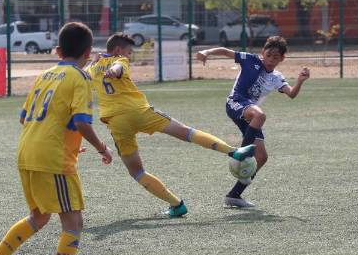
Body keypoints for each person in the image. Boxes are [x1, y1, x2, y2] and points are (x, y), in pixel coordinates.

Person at [0, 22, 113, 255]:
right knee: (73, 222)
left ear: (59, 50)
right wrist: (102, 148)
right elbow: (83, 122)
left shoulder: (44, 74)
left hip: (27, 152)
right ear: (88, 53)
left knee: (39, 216)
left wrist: (68, 140)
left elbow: (25, 118)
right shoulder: (81, 78)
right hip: (52, 159)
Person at [88, 33, 256, 218]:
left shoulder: (94, 67)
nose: (128, 56)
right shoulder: (119, 60)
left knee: (137, 172)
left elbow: (86, 75)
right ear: (119, 50)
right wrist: (116, 69)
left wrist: (94, 62)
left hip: (116, 122)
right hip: (139, 112)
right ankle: (233, 151)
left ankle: (176, 205)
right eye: (129, 52)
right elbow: (119, 67)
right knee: (186, 132)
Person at [196, 36, 310, 208]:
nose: (271, 60)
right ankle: (242, 154)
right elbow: (226, 51)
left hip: (250, 116)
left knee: (262, 157)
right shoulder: (250, 60)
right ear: (262, 53)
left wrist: (300, 80)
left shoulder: (277, 78)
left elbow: (291, 94)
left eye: (276, 57)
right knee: (260, 116)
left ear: (282, 59)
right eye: (269, 55)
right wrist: (207, 52)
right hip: (236, 102)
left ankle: (234, 195)